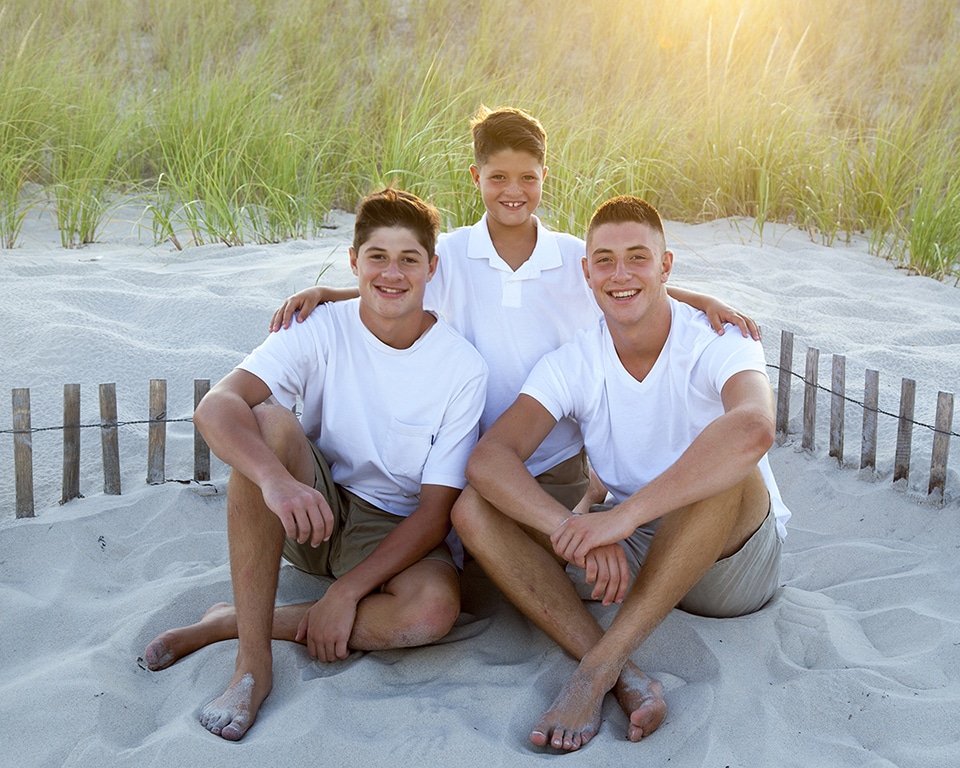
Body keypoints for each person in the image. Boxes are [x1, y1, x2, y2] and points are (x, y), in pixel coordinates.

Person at [271, 106, 759, 517]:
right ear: (475, 176)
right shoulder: (453, 253)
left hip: (557, 460)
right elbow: (395, 287)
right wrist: (333, 293)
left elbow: (634, 285)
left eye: (528, 177)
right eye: (498, 177)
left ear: (545, 177)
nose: (513, 190)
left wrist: (704, 300)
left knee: (549, 567)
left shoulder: (573, 257)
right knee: (476, 573)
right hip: (464, 457)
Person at [142, 188, 488, 742]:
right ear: (354, 261)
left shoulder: (461, 367)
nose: (391, 273)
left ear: (432, 268)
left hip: (392, 533)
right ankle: (252, 666)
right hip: (308, 507)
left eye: (408, 259)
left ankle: (229, 622)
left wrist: (345, 593)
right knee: (270, 420)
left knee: (429, 613)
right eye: (377, 256)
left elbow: (434, 513)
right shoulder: (320, 325)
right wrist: (276, 483)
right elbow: (217, 405)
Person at [455, 195, 790, 752]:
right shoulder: (575, 361)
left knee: (729, 467)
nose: (621, 273)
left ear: (666, 266)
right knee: (473, 506)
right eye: (605, 260)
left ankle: (595, 671)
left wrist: (621, 518)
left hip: (732, 564)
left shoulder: (718, 338)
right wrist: (575, 529)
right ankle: (629, 676)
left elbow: (755, 428)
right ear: (586, 273)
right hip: (639, 555)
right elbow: (489, 458)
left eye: (638, 257)